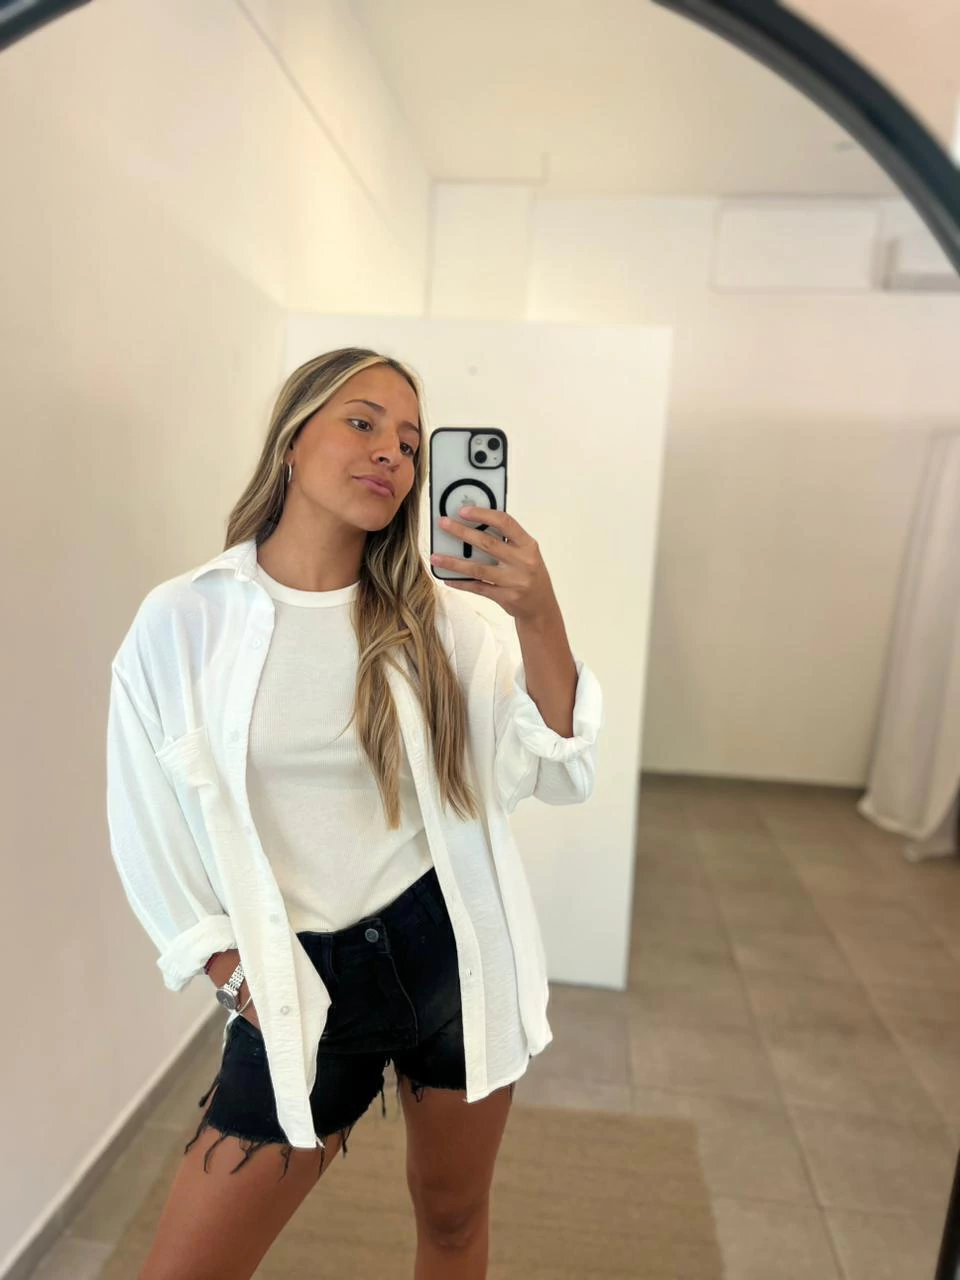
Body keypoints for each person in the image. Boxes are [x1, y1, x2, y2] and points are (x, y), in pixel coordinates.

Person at [105, 347, 603, 1279]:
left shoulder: (444, 623)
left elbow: (559, 768)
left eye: (411, 444)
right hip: (298, 977)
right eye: (363, 423)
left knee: (451, 1221)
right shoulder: (185, 623)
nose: (391, 455)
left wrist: (538, 615)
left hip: (450, 950)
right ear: (292, 442)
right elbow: (143, 818)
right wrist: (230, 972)